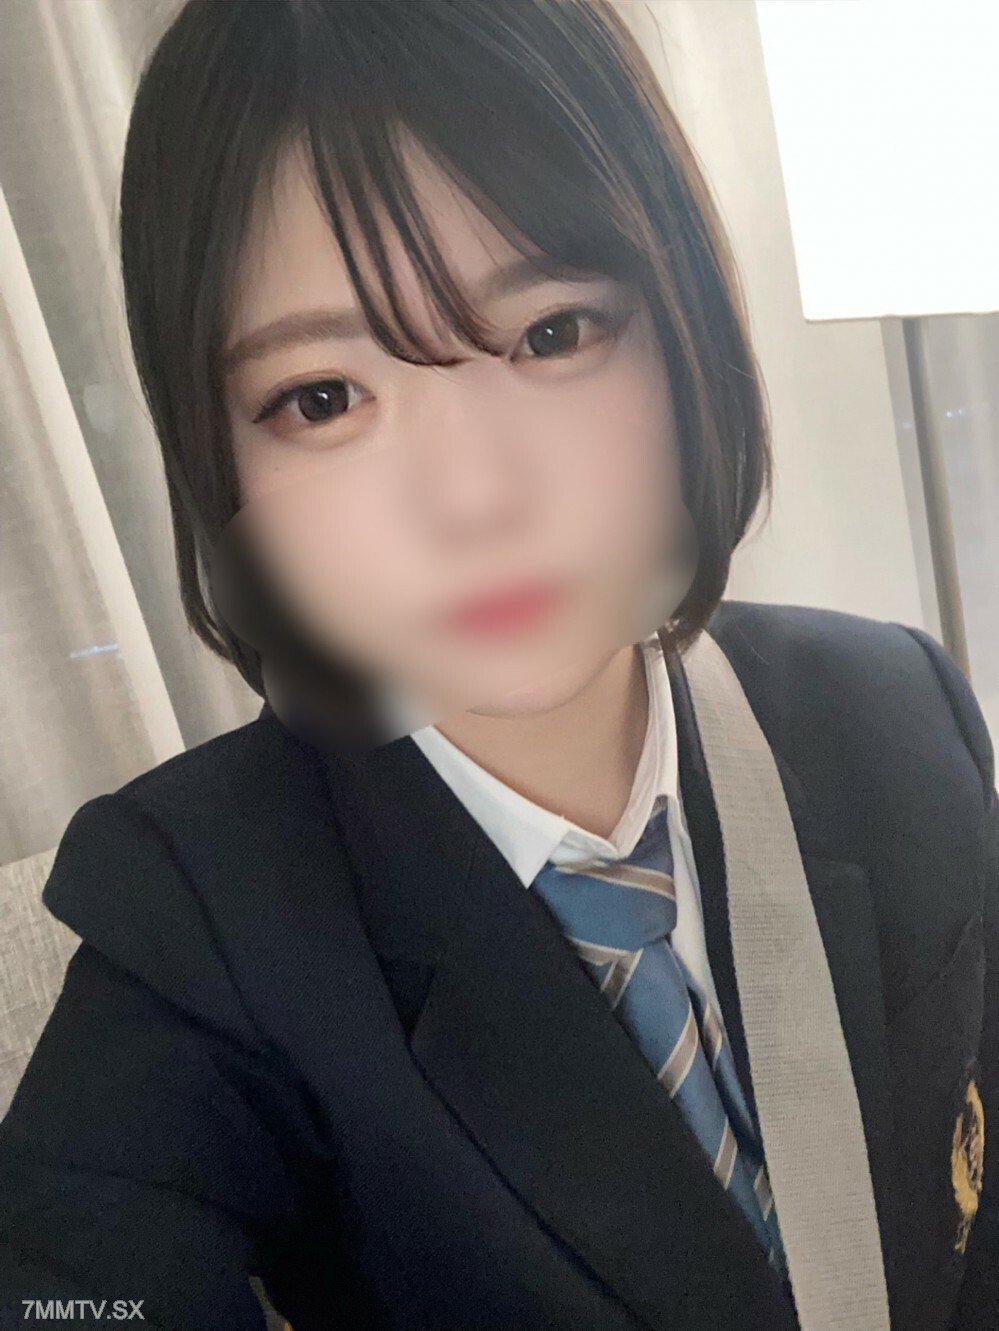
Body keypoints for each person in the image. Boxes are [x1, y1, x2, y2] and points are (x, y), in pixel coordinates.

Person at [0, 1, 994, 1328]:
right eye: (323, 399)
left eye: (553, 333)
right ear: (220, 470)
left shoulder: (896, 708)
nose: (474, 497)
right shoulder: (202, 922)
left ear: (687, 329)